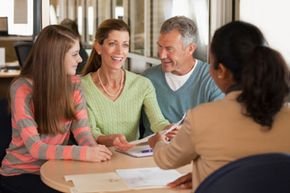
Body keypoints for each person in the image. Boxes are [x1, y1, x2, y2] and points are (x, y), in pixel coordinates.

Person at [148, 21, 290, 192]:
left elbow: (166, 160)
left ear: (221, 70)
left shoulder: (202, 118)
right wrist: (212, 175)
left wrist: (157, 142)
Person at [0, 25, 112, 193]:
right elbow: (36, 148)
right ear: (56, 58)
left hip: (54, 168)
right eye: (74, 54)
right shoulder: (22, 88)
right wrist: (83, 153)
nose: (80, 60)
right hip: (21, 172)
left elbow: (82, 132)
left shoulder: (74, 84)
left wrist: (93, 150)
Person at [81, 19, 170, 151]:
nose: (120, 51)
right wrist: (110, 140)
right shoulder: (82, 86)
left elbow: (158, 122)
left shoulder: (142, 84)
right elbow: (91, 133)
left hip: (133, 158)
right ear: (99, 47)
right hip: (99, 157)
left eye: (125, 45)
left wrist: (169, 129)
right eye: (112, 44)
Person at [142, 16, 224, 137]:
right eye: (160, 46)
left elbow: (220, 126)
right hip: (151, 152)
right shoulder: (147, 78)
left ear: (190, 49)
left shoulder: (212, 78)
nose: (162, 55)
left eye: (169, 49)